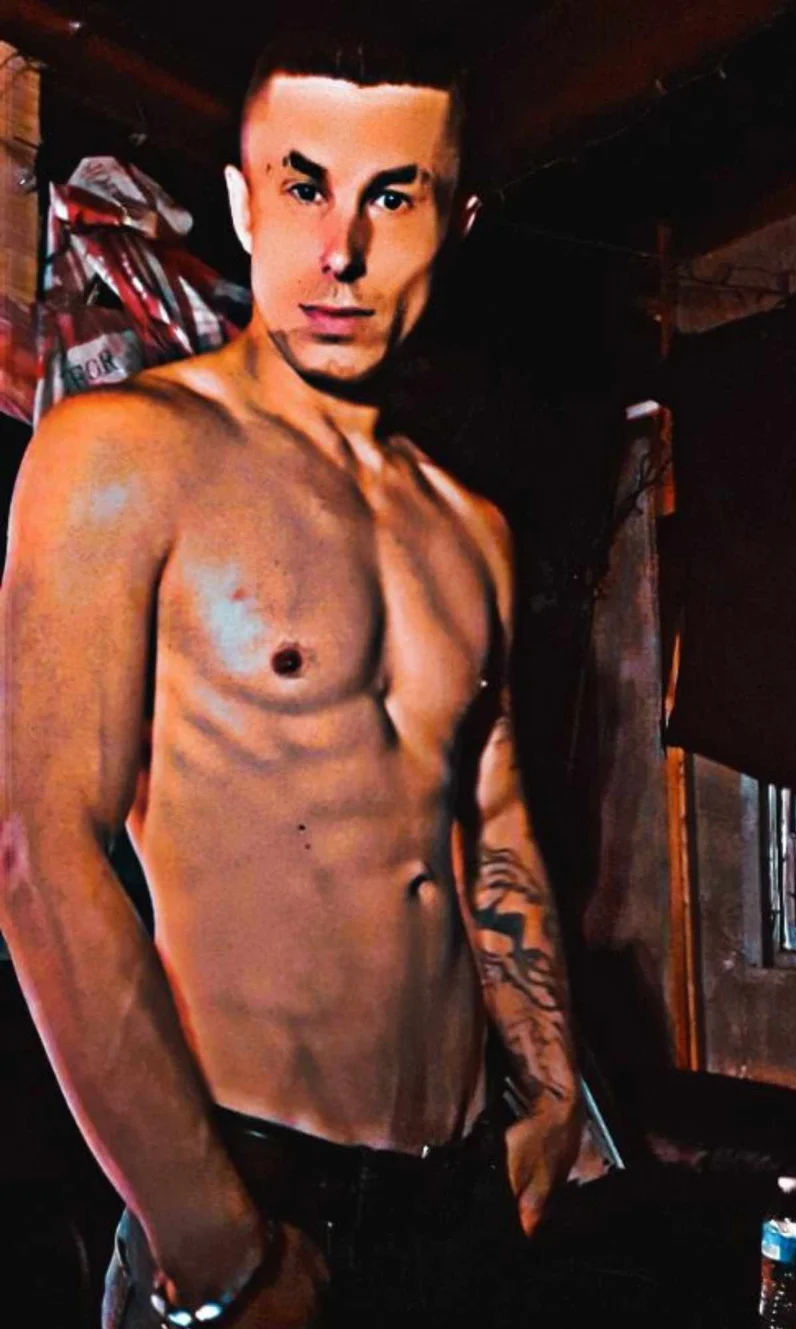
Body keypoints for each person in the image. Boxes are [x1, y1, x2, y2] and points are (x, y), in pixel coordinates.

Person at [0, 23, 610, 1329]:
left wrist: (553, 1094)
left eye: (392, 196)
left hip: (460, 1187)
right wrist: (216, 1241)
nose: (340, 251)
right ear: (241, 203)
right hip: (249, 1186)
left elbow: (489, 819)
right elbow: (38, 850)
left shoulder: (475, 533)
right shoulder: (121, 453)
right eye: (302, 186)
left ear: (456, 221)